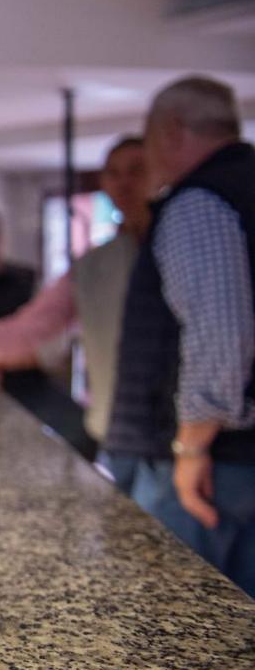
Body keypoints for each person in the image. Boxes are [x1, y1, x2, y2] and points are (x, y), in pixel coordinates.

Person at [104, 76, 255, 597]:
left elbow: (221, 332)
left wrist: (191, 449)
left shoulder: (198, 201)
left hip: (212, 463)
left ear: (170, 130)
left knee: (182, 623)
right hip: (235, 458)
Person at [0, 137, 152, 448]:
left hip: (38, 387)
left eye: (137, 171)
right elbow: (34, 325)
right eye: (114, 174)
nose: (124, 184)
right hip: (115, 417)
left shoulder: (26, 278)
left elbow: (48, 341)